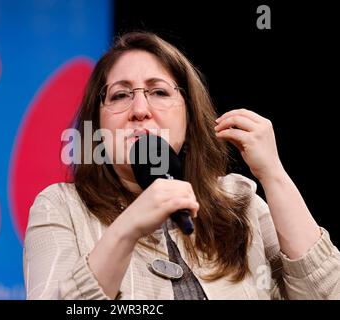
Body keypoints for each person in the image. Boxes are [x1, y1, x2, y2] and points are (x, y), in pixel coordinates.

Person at [23, 31, 340, 300]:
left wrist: (273, 174)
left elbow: (325, 293)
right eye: (120, 95)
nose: (139, 109)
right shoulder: (59, 206)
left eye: (158, 91)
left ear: (189, 116)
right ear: (98, 125)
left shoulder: (240, 203)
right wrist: (127, 228)